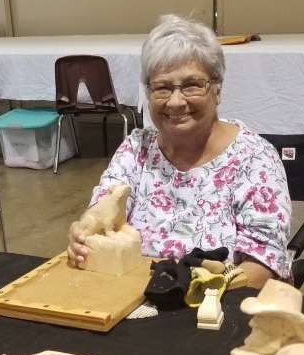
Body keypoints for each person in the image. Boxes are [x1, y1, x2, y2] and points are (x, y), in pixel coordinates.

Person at [67, 14, 291, 288]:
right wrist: (85, 232)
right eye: (161, 88)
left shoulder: (255, 159)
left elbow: (263, 266)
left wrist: (200, 288)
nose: (175, 102)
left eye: (191, 85)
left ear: (217, 90)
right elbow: (105, 207)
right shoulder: (136, 150)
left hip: (217, 303)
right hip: (129, 296)